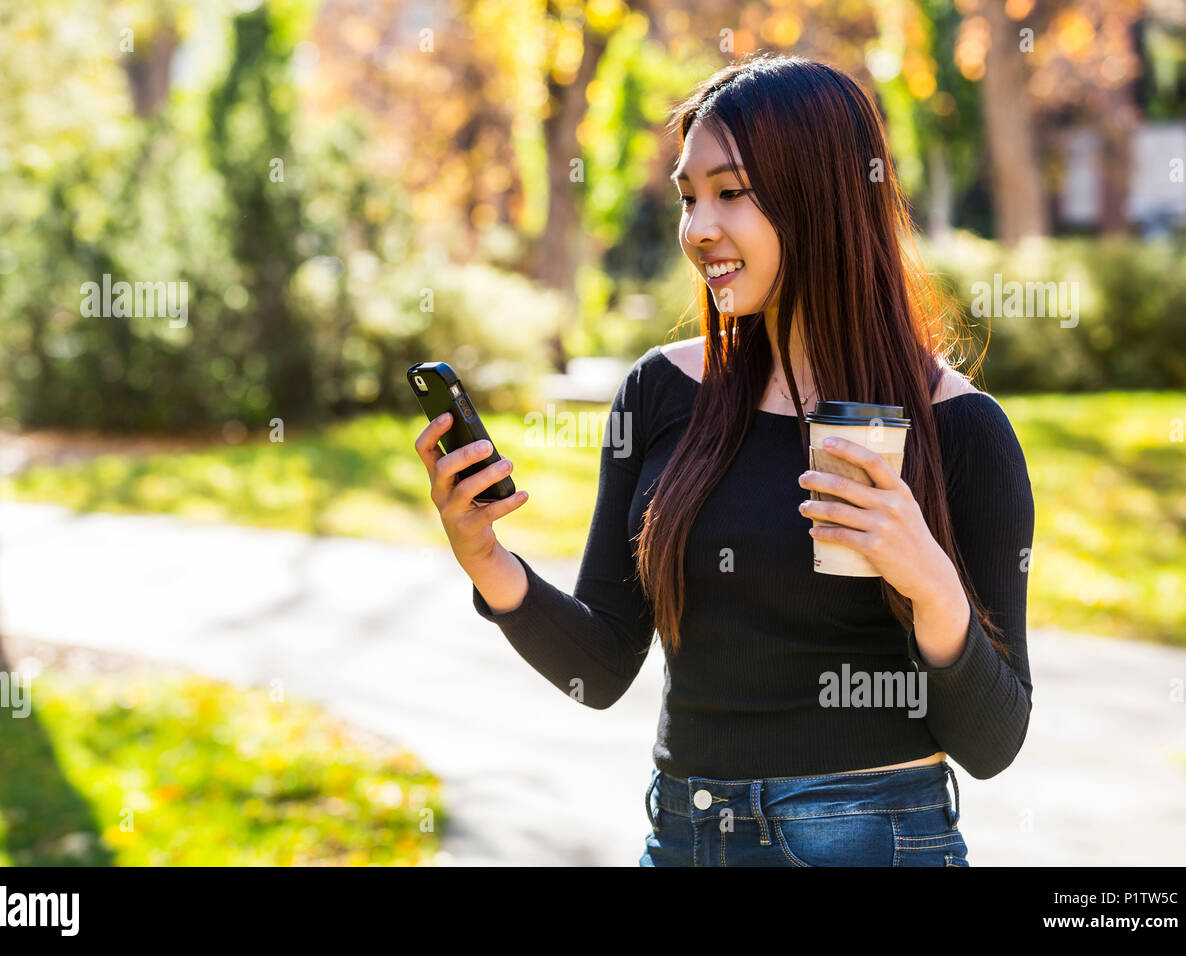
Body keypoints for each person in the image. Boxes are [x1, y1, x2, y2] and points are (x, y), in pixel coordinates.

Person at [413, 53, 1034, 866]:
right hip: (687, 833)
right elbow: (599, 667)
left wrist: (931, 584)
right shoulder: (662, 394)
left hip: (870, 838)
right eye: (687, 195)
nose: (698, 227)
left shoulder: (960, 429)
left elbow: (993, 742)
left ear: (821, 197)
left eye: (730, 192)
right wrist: (485, 558)